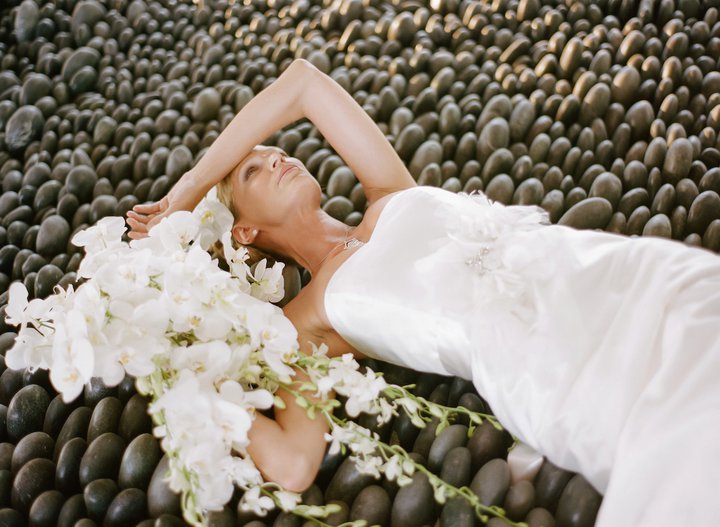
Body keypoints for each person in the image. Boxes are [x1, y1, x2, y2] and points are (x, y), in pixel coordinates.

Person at [126, 58, 720, 526]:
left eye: (277, 151)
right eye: (253, 171)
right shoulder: (302, 324)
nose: (279, 158)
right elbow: (294, 465)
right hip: (548, 362)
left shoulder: (387, 191)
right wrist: (187, 375)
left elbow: (302, 83)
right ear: (243, 233)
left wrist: (191, 185)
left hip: (599, 270)